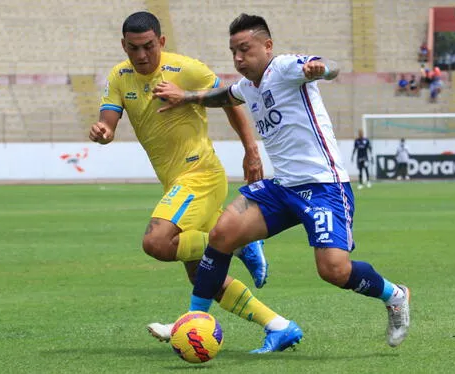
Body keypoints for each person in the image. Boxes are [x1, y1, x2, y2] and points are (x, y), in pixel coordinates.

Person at [153, 13, 410, 352]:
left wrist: (320, 69)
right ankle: (192, 320)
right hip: (282, 187)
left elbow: (328, 66)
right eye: (234, 52)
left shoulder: (286, 68)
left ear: (267, 46)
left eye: (245, 49)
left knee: (333, 270)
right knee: (221, 234)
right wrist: (186, 97)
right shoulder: (248, 85)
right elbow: (226, 96)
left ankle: (395, 295)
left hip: (324, 187)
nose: (239, 59)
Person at [90, 11, 293, 352]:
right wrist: (103, 131)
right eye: (133, 48)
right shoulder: (119, 76)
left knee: (157, 242)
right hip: (175, 182)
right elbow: (108, 118)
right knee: (203, 276)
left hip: (199, 175)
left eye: (148, 47)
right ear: (123, 45)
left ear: (162, 42)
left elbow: (231, 102)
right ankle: (279, 326)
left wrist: (251, 150)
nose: (141, 55)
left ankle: (238, 244)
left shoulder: (187, 69)